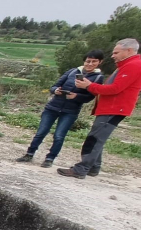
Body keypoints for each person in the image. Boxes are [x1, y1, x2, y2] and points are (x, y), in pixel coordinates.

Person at [59, 38, 141, 179]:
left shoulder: (133, 65)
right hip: (112, 107)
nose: (112, 55)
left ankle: (81, 169)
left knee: (94, 139)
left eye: (116, 52)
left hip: (114, 108)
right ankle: (93, 168)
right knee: (98, 138)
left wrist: (89, 86)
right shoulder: (128, 65)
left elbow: (115, 89)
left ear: (129, 50)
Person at [16, 50, 104, 167]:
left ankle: (50, 159)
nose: (90, 64)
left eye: (94, 61)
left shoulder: (98, 77)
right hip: (53, 106)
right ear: (84, 61)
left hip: (70, 111)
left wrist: (76, 96)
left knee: (59, 136)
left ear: (100, 62)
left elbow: (90, 97)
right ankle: (29, 154)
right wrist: (56, 90)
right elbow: (55, 86)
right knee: (41, 132)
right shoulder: (72, 71)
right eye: (88, 61)